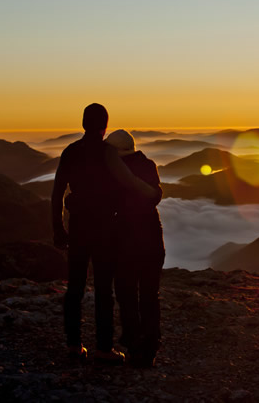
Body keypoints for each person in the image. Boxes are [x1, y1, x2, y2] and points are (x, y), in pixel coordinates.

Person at [51, 103, 161, 363]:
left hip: (77, 226)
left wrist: (58, 228)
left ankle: (73, 345)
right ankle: (103, 349)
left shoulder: (70, 151)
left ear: (82, 124)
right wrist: (154, 193)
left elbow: (57, 193)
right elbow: (128, 183)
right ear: (105, 126)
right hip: (104, 230)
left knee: (75, 288)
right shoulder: (108, 153)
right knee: (103, 289)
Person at [105, 129, 165, 368]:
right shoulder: (148, 165)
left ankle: (133, 344)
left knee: (126, 291)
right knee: (150, 293)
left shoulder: (113, 170)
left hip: (126, 237)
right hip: (151, 234)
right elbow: (155, 196)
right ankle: (150, 346)